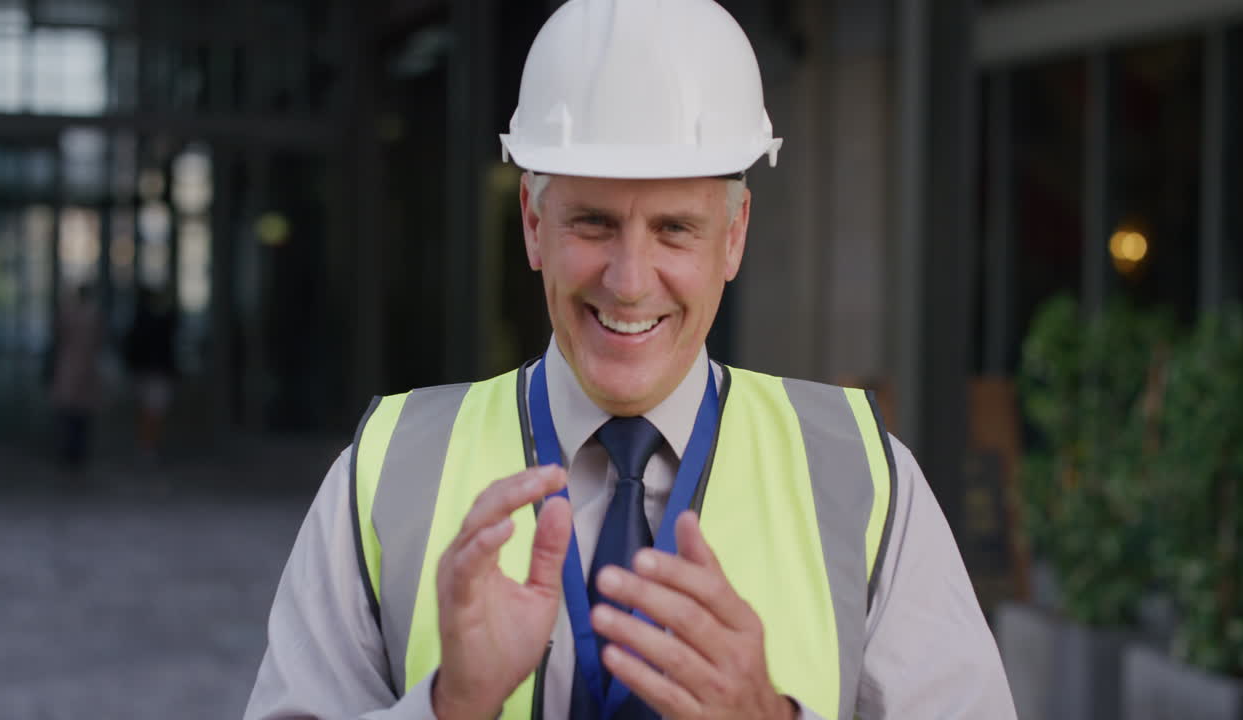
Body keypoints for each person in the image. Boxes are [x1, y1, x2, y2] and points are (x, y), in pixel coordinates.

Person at [246, 1, 1017, 718]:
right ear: (533, 223)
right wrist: (447, 706)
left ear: (735, 233)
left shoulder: (863, 475)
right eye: (593, 222)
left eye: (675, 228)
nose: (629, 280)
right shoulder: (385, 470)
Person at [50, 282, 104, 470]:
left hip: (71, 367)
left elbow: (58, 334)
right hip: (84, 368)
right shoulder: (93, 314)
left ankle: (70, 451)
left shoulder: (68, 313)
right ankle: (77, 452)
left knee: (70, 414)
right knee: (81, 415)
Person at [123, 286, 178, 462]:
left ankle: (147, 445)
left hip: (150, 371)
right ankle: (147, 446)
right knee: (151, 410)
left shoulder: (145, 321)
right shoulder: (157, 321)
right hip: (154, 372)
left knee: (149, 410)